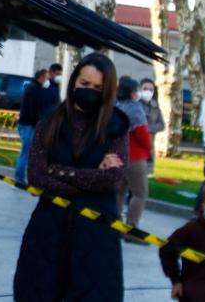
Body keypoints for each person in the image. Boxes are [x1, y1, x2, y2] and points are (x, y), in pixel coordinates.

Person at [14, 53, 130, 301]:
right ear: (74, 81)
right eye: (85, 84)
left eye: (98, 87)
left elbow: (112, 179)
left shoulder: (116, 126)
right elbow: (35, 176)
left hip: (96, 232)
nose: (89, 91)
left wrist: (57, 171)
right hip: (48, 228)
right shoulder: (50, 120)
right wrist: (92, 178)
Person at [115, 77, 152, 239]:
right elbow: (142, 134)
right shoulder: (135, 109)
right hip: (135, 156)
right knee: (140, 193)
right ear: (132, 93)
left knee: (119, 192)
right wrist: (149, 148)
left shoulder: (116, 105)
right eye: (137, 90)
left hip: (118, 154)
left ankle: (114, 226)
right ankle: (132, 230)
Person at [15, 68, 50, 183]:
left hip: (27, 124)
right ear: (40, 77)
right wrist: (38, 124)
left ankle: (21, 177)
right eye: (46, 77)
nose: (47, 79)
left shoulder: (34, 87)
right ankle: (19, 178)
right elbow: (33, 110)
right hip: (28, 125)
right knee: (26, 152)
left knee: (27, 152)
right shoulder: (34, 89)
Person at [139, 78, 164, 171]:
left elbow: (161, 125)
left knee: (146, 173)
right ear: (140, 89)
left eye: (151, 90)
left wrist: (147, 128)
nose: (148, 92)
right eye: (145, 89)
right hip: (135, 144)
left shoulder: (155, 106)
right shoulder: (135, 105)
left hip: (150, 143)